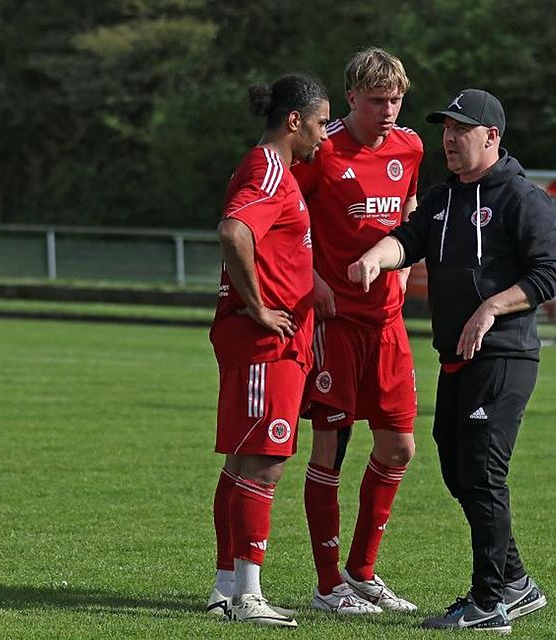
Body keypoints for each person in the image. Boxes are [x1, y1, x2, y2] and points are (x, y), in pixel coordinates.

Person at [349, 88, 556, 633]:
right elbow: (409, 239)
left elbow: (550, 274)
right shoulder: (443, 199)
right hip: (456, 361)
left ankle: (490, 601)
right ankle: (515, 583)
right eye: (445, 129)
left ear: (491, 136)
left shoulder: (522, 198)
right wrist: (378, 255)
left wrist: (491, 307)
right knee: (457, 469)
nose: (448, 138)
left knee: (483, 471)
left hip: (504, 357)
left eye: (460, 129)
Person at [290, 46, 423, 615]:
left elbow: (411, 210)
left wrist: (406, 258)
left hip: (389, 323)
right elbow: (285, 220)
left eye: (396, 99)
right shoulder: (322, 152)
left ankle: (363, 573)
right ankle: (327, 587)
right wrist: (314, 280)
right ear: (350, 98)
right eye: (377, 101)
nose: (389, 110)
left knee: (399, 447)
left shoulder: (411, 146)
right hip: (336, 325)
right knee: (330, 450)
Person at [205, 74, 330, 628]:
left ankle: (226, 588)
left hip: (272, 341)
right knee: (266, 463)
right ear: (295, 121)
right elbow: (233, 231)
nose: (325, 136)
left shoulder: (272, 169)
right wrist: (257, 306)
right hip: (266, 342)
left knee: (240, 462)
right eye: (322, 123)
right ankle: (248, 595)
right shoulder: (269, 169)